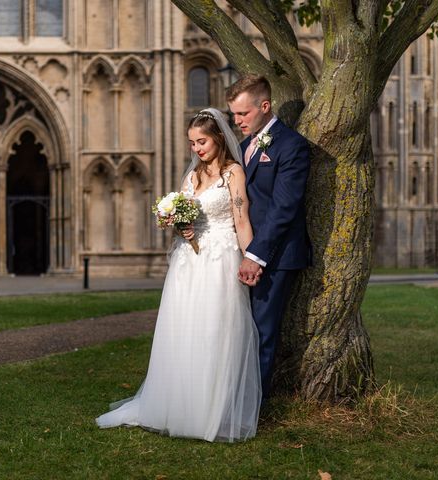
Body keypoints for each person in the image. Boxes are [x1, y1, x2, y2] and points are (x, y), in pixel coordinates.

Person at [96, 108, 261, 442]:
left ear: (218, 138)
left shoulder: (232, 174)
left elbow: (241, 219)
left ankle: (211, 412)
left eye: (201, 141)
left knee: (216, 331)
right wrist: (179, 226)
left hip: (220, 259)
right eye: (191, 143)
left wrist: (252, 259)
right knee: (183, 331)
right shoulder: (191, 178)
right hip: (188, 263)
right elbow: (181, 219)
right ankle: (179, 406)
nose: (196, 149)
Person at [227, 75, 311, 401]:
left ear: (265, 106)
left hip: (274, 257)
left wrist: (255, 255)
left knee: (261, 332)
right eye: (234, 115)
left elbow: (283, 208)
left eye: (243, 114)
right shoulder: (245, 147)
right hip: (245, 253)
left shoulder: (292, 146)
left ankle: (252, 409)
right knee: (238, 329)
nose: (237, 121)